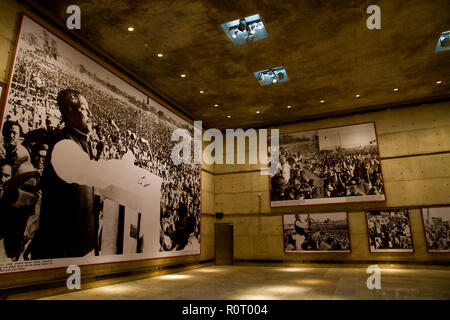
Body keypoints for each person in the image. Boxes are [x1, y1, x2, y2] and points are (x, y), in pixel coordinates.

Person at [30, 89, 142, 259]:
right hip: (61, 251)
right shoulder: (63, 145)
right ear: (69, 110)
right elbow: (92, 172)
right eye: (84, 108)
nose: (90, 113)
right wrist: (126, 164)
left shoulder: (80, 142)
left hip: (77, 248)